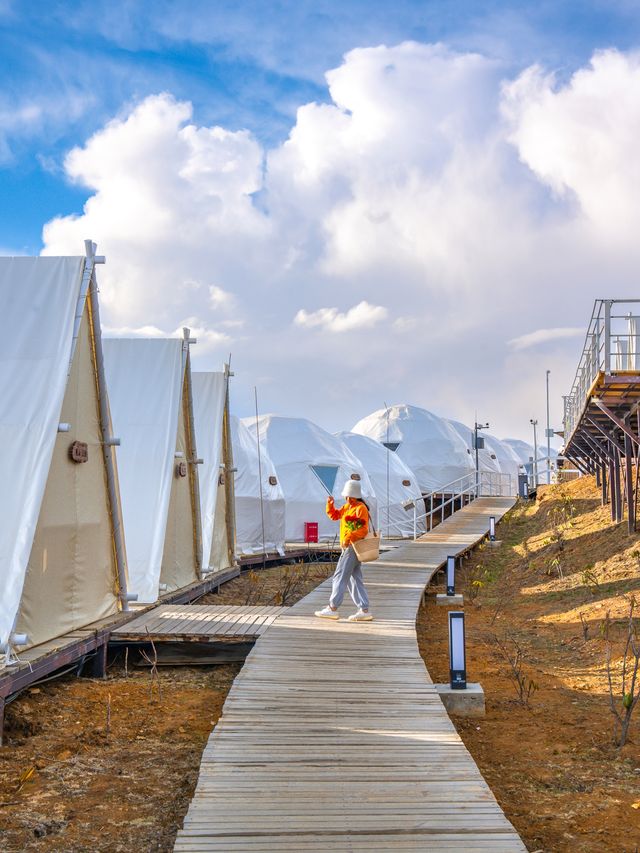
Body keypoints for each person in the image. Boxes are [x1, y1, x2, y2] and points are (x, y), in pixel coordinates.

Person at [314, 480, 373, 622]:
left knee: (340, 576)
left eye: (348, 495)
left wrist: (348, 538)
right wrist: (330, 504)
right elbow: (335, 515)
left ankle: (333, 607)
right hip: (351, 546)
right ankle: (364, 609)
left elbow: (363, 529)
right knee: (354, 578)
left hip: (352, 546)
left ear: (353, 495)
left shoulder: (360, 508)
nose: (346, 498)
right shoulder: (348, 506)